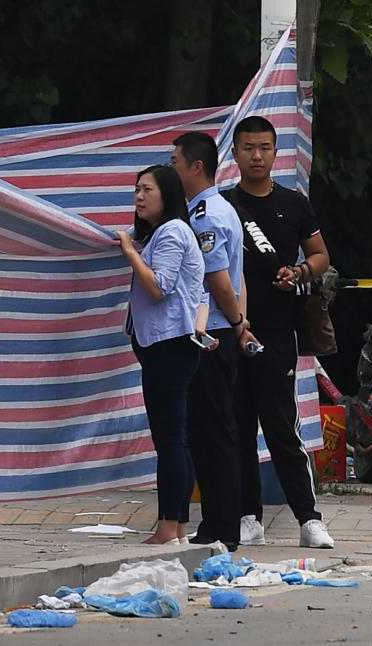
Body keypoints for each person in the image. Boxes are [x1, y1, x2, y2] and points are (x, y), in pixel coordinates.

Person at [221, 116, 335, 549]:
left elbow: (321, 254)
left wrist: (301, 272)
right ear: (234, 153)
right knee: (237, 426)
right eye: (248, 147)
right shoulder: (223, 206)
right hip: (232, 330)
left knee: (282, 427)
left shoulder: (295, 203)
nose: (256, 155)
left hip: (278, 331)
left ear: (275, 153)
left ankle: (309, 519)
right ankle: (248, 516)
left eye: (264, 147)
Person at [170, 132, 258, 552]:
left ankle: (223, 527)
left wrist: (239, 323)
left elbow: (219, 280)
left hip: (214, 332)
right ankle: (220, 523)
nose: (172, 170)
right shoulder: (217, 208)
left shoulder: (204, 214)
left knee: (214, 431)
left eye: (175, 163)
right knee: (210, 428)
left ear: (195, 166)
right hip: (220, 328)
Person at [117, 165, 205, 545]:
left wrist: (128, 252)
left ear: (166, 194)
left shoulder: (172, 232)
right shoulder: (163, 234)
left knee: (169, 441)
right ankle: (179, 525)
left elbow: (159, 287)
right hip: (168, 347)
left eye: (146, 190)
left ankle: (168, 527)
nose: (138, 196)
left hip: (168, 348)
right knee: (176, 439)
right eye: (136, 189)